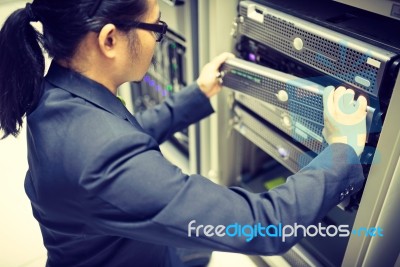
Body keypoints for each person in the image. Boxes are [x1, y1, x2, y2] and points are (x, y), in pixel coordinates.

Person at [0, 0, 368, 266]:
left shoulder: (58, 94)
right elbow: (263, 225)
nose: (159, 39)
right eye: (157, 29)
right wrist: (341, 149)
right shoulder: (99, 155)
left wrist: (198, 94)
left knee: (197, 250)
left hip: (113, 245)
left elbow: (121, 135)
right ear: (109, 40)